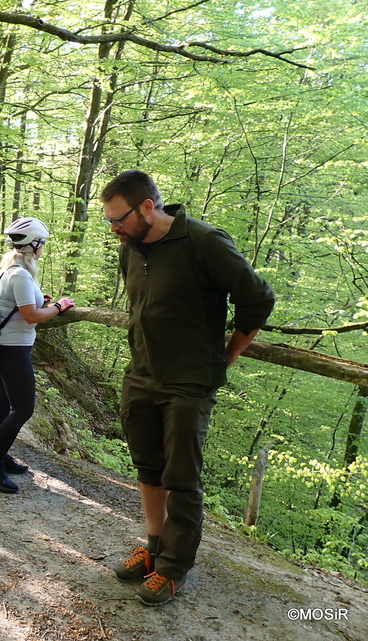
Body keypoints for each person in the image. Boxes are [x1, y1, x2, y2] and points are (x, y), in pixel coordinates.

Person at [102, 169, 275, 605]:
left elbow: (257, 299)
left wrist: (229, 353)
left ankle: (174, 568)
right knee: (148, 467)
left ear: (147, 207)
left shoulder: (203, 241)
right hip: (141, 374)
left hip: (189, 382)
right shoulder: (131, 248)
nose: (114, 229)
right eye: (109, 222)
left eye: (118, 219)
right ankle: (155, 548)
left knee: (181, 477)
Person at [0, 218, 75, 494]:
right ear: (33, 243)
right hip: (12, 349)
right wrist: (59, 305)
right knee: (23, 409)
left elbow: (17, 303)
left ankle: (0, 456)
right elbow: (32, 316)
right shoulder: (20, 274)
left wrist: (39, 299)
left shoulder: (10, 268)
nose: (43, 246)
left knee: (2, 405)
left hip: (2, 346)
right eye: (41, 242)